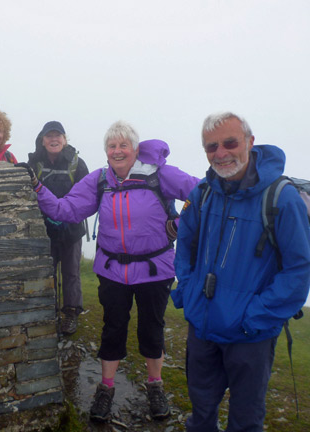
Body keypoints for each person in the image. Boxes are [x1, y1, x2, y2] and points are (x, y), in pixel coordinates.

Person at [16, 121, 200, 422]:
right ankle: (106, 388)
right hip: (113, 270)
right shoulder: (99, 180)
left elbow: (203, 193)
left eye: (123, 145)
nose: (117, 151)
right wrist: (37, 187)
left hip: (155, 270)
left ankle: (156, 386)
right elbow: (66, 210)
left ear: (135, 149)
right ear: (106, 151)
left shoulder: (160, 175)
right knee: (113, 328)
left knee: (151, 329)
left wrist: (180, 225)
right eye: (112, 146)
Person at [172, 112, 310, 432]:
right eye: (211, 147)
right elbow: (185, 244)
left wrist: (255, 317)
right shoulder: (203, 192)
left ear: (249, 141)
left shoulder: (281, 198)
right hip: (203, 326)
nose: (221, 153)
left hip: (250, 334)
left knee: (246, 419)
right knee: (201, 407)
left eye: (230, 143)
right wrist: (188, 293)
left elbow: (298, 269)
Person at [27, 121, 89, 335]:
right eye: (49, 136)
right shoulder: (34, 163)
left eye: (58, 136)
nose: (54, 139)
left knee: (71, 272)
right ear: (42, 140)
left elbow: (87, 195)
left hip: (71, 229)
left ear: (65, 139)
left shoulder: (77, 164)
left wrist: (68, 216)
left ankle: (71, 314)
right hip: (44, 230)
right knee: (47, 272)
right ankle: (48, 311)